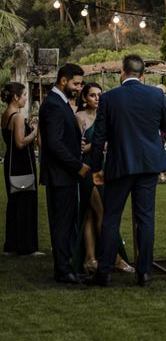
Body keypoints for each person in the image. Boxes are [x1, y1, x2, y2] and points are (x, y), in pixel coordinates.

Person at [86, 55, 166, 287]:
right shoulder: (156, 94)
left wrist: (96, 167)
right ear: (142, 75)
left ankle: (104, 272)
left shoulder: (110, 98)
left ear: (122, 73)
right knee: (145, 219)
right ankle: (144, 272)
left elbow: (99, 137)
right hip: (148, 165)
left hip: (120, 164)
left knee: (112, 218)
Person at [73, 83, 133, 275]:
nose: (97, 98)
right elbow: (78, 148)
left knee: (92, 214)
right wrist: (94, 145)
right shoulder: (79, 118)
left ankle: (90, 259)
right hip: (85, 170)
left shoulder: (105, 116)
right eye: (92, 95)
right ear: (85, 98)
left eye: (99, 94)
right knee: (102, 212)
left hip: (102, 169)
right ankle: (114, 258)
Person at [40, 63, 88, 284]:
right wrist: (76, 165)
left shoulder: (59, 102)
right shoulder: (53, 105)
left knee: (67, 223)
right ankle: (62, 270)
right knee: (62, 224)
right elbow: (54, 144)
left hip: (64, 174)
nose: (80, 88)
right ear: (63, 81)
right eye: (76, 83)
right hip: (61, 175)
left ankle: (67, 265)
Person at [1, 82, 41, 256]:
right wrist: (34, 130)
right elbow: (20, 142)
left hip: (11, 163)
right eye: (24, 95)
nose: (26, 98)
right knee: (26, 203)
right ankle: (26, 247)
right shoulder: (16, 117)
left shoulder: (5, 115)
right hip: (21, 162)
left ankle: (12, 244)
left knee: (15, 204)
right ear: (16, 97)